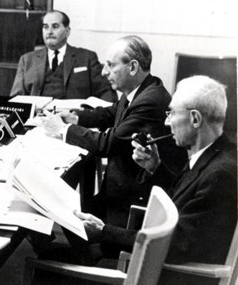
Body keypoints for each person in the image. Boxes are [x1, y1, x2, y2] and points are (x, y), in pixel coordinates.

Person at [74, 76, 237, 285]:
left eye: (171, 114)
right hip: (165, 270)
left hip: (170, 277)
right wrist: (155, 167)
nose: (167, 122)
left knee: (48, 272)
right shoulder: (213, 155)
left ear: (195, 119)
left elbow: (174, 244)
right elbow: (184, 197)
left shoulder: (221, 174)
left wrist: (104, 231)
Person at [43, 35, 186, 235]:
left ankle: (87, 257)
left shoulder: (150, 100)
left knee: (54, 207)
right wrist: (76, 118)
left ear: (133, 67)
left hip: (129, 205)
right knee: (60, 208)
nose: (104, 72)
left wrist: (62, 130)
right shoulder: (142, 89)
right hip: (118, 192)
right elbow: (111, 112)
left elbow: (107, 144)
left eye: (110, 65)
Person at [10, 10, 116, 102]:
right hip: (37, 119)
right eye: (45, 27)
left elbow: (105, 92)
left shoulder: (87, 57)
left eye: (55, 26)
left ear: (67, 31)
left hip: (74, 119)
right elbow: (16, 98)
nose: (49, 31)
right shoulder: (27, 60)